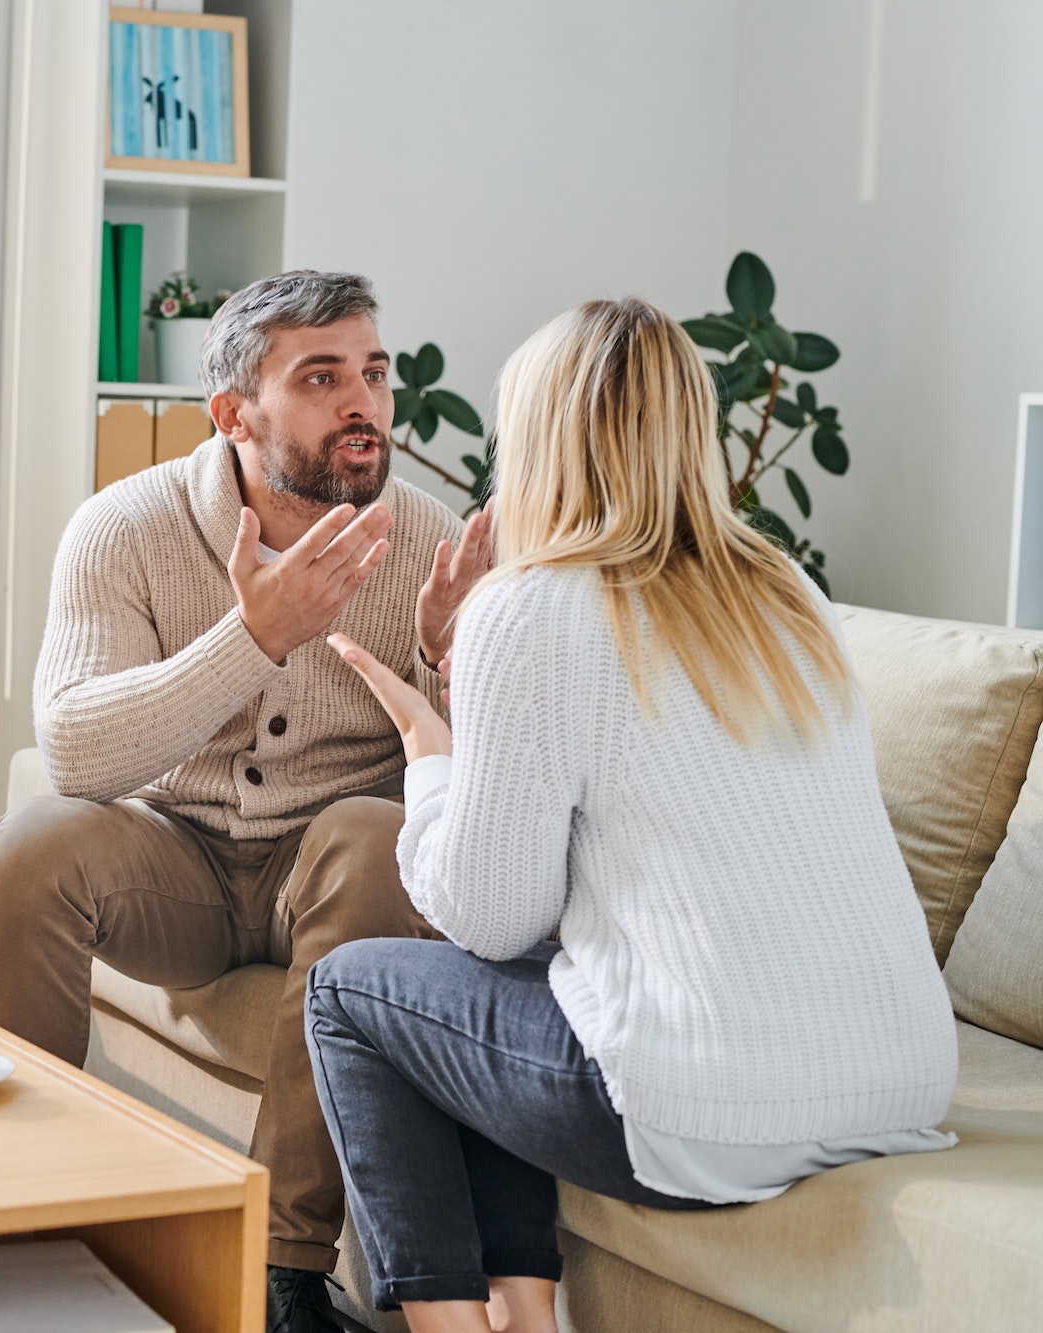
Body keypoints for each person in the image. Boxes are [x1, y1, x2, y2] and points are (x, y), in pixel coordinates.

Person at [308, 298, 957, 1333]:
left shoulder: (530, 606)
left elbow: (484, 918)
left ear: (537, 442)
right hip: (897, 1084)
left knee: (348, 991)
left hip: (708, 1112)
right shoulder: (789, 591)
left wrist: (431, 758)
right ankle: (524, 1314)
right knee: (496, 987)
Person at [0, 270, 493, 1332]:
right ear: (233, 412)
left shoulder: (428, 540)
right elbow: (74, 750)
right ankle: (10, 1215)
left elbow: (478, 790)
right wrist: (254, 636)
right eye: (321, 378)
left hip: (334, 880)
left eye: (374, 374)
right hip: (180, 863)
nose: (363, 403)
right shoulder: (126, 526)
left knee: (374, 832)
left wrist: (453, 664)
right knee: (32, 844)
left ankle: (279, 1270)